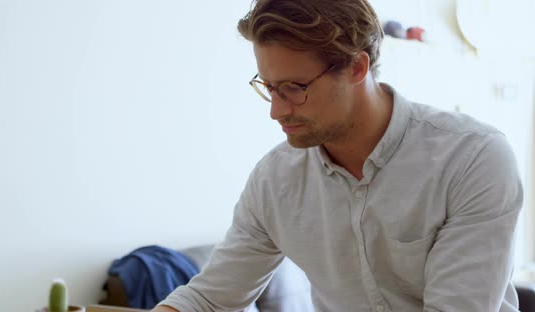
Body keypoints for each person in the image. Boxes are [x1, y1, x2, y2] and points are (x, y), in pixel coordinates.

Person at [153, 0, 523, 311]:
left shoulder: (473, 159)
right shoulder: (275, 181)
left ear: (356, 68)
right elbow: (208, 300)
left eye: (294, 88)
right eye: (269, 88)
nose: (276, 111)